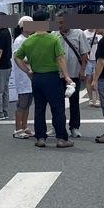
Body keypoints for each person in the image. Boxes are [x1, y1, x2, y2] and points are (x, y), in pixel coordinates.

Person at [15, 10, 74, 148]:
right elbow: (60, 58)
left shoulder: (29, 41)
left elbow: (17, 57)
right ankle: (61, 138)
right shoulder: (53, 39)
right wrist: (66, 76)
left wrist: (28, 71)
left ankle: (40, 138)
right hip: (52, 77)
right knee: (57, 108)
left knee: (39, 109)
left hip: (36, 78)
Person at [58, 15, 89, 138]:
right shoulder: (54, 34)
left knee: (74, 102)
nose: (60, 25)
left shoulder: (79, 33)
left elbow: (84, 54)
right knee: (57, 102)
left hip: (74, 73)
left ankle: (74, 127)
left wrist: (82, 70)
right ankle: (58, 126)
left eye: (62, 22)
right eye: (58, 22)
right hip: (58, 74)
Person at [10, 16, 34, 139]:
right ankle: (18, 129)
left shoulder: (29, 39)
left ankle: (25, 126)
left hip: (30, 74)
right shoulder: (19, 40)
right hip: (23, 74)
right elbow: (18, 57)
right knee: (22, 103)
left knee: (28, 102)